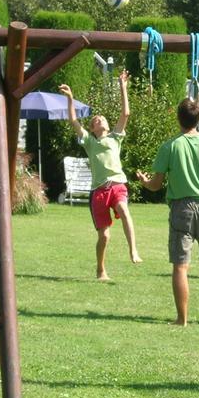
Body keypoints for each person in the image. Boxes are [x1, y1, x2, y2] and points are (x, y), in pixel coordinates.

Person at [136, 98, 199, 326]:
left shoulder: (169, 147)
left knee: (181, 265)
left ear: (178, 118)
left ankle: (182, 318)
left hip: (181, 207)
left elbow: (156, 184)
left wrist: (144, 181)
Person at [60, 71, 141, 281]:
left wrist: (123, 86)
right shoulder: (90, 142)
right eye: (96, 119)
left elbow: (126, 114)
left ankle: (133, 250)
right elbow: (73, 121)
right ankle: (100, 269)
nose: (100, 119)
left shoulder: (115, 138)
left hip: (117, 186)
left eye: (102, 118)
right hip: (98, 192)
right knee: (104, 236)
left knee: (124, 210)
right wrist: (70, 98)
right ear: (92, 128)